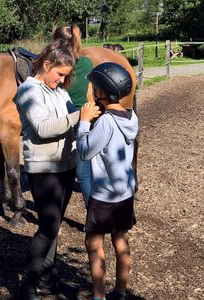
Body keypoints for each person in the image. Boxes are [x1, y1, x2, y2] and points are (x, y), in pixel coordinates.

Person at [15, 39, 100, 299]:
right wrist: (79, 117)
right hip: (44, 169)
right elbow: (42, 128)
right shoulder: (28, 91)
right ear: (46, 64)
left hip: (66, 165)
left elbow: (74, 118)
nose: (63, 81)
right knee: (48, 227)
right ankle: (27, 285)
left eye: (65, 76)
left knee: (54, 226)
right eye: (60, 74)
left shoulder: (59, 92)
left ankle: (49, 280)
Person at [77, 62, 138, 300]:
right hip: (125, 193)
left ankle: (98, 296)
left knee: (93, 244)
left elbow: (85, 151)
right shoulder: (130, 117)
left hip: (104, 196)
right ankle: (120, 293)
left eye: (93, 87)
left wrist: (84, 123)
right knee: (120, 239)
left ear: (101, 92)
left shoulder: (106, 122)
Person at [53, 25, 94, 207]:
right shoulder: (87, 63)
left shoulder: (56, 67)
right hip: (85, 118)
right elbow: (90, 96)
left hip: (64, 121)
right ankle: (92, 210)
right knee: (84, 172)